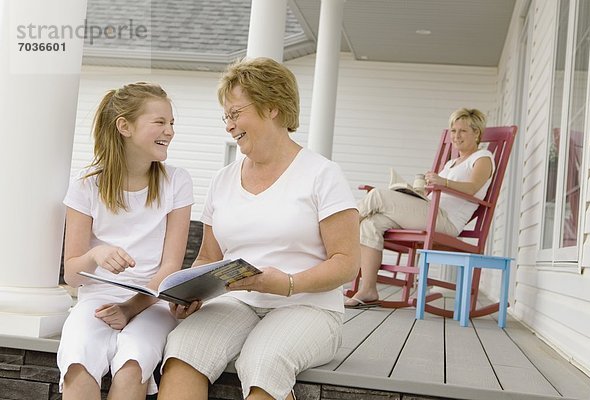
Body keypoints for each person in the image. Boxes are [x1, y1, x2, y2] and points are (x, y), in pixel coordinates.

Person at [157, 57, 360, 400]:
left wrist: (289, 284)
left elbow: (346, 261)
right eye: (227, 116)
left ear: (272, 107)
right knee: (182, 349)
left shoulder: (322, 174)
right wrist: (190, 294)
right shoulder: (223, 180)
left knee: (264, 360)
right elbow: (208, 255)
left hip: (309, 306)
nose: (228, 125)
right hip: (236, 302)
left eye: (235, 114)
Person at [57, 82, 194, 399]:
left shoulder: (177, 181)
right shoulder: (86, 186)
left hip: (152, 302)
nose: (169, 131)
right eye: (160, 122)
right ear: (125, 126)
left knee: (133, 365)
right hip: (95, 301)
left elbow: (171, 267)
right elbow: (72, 274)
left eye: (171, 123)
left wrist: (132, 308)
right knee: (78, 362)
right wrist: (97, 254)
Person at [344, 108, 494, 308]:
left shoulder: (483, 157)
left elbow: (473, 187)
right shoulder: (451, 163)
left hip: (445, 221)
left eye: (463, 131)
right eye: (453, 131)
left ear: (476, 133)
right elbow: (437, 191)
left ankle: (339, 231)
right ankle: (369, 289)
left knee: (377, 196)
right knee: (370, 224)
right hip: (430, 210)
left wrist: (442, 182)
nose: (456, 136)